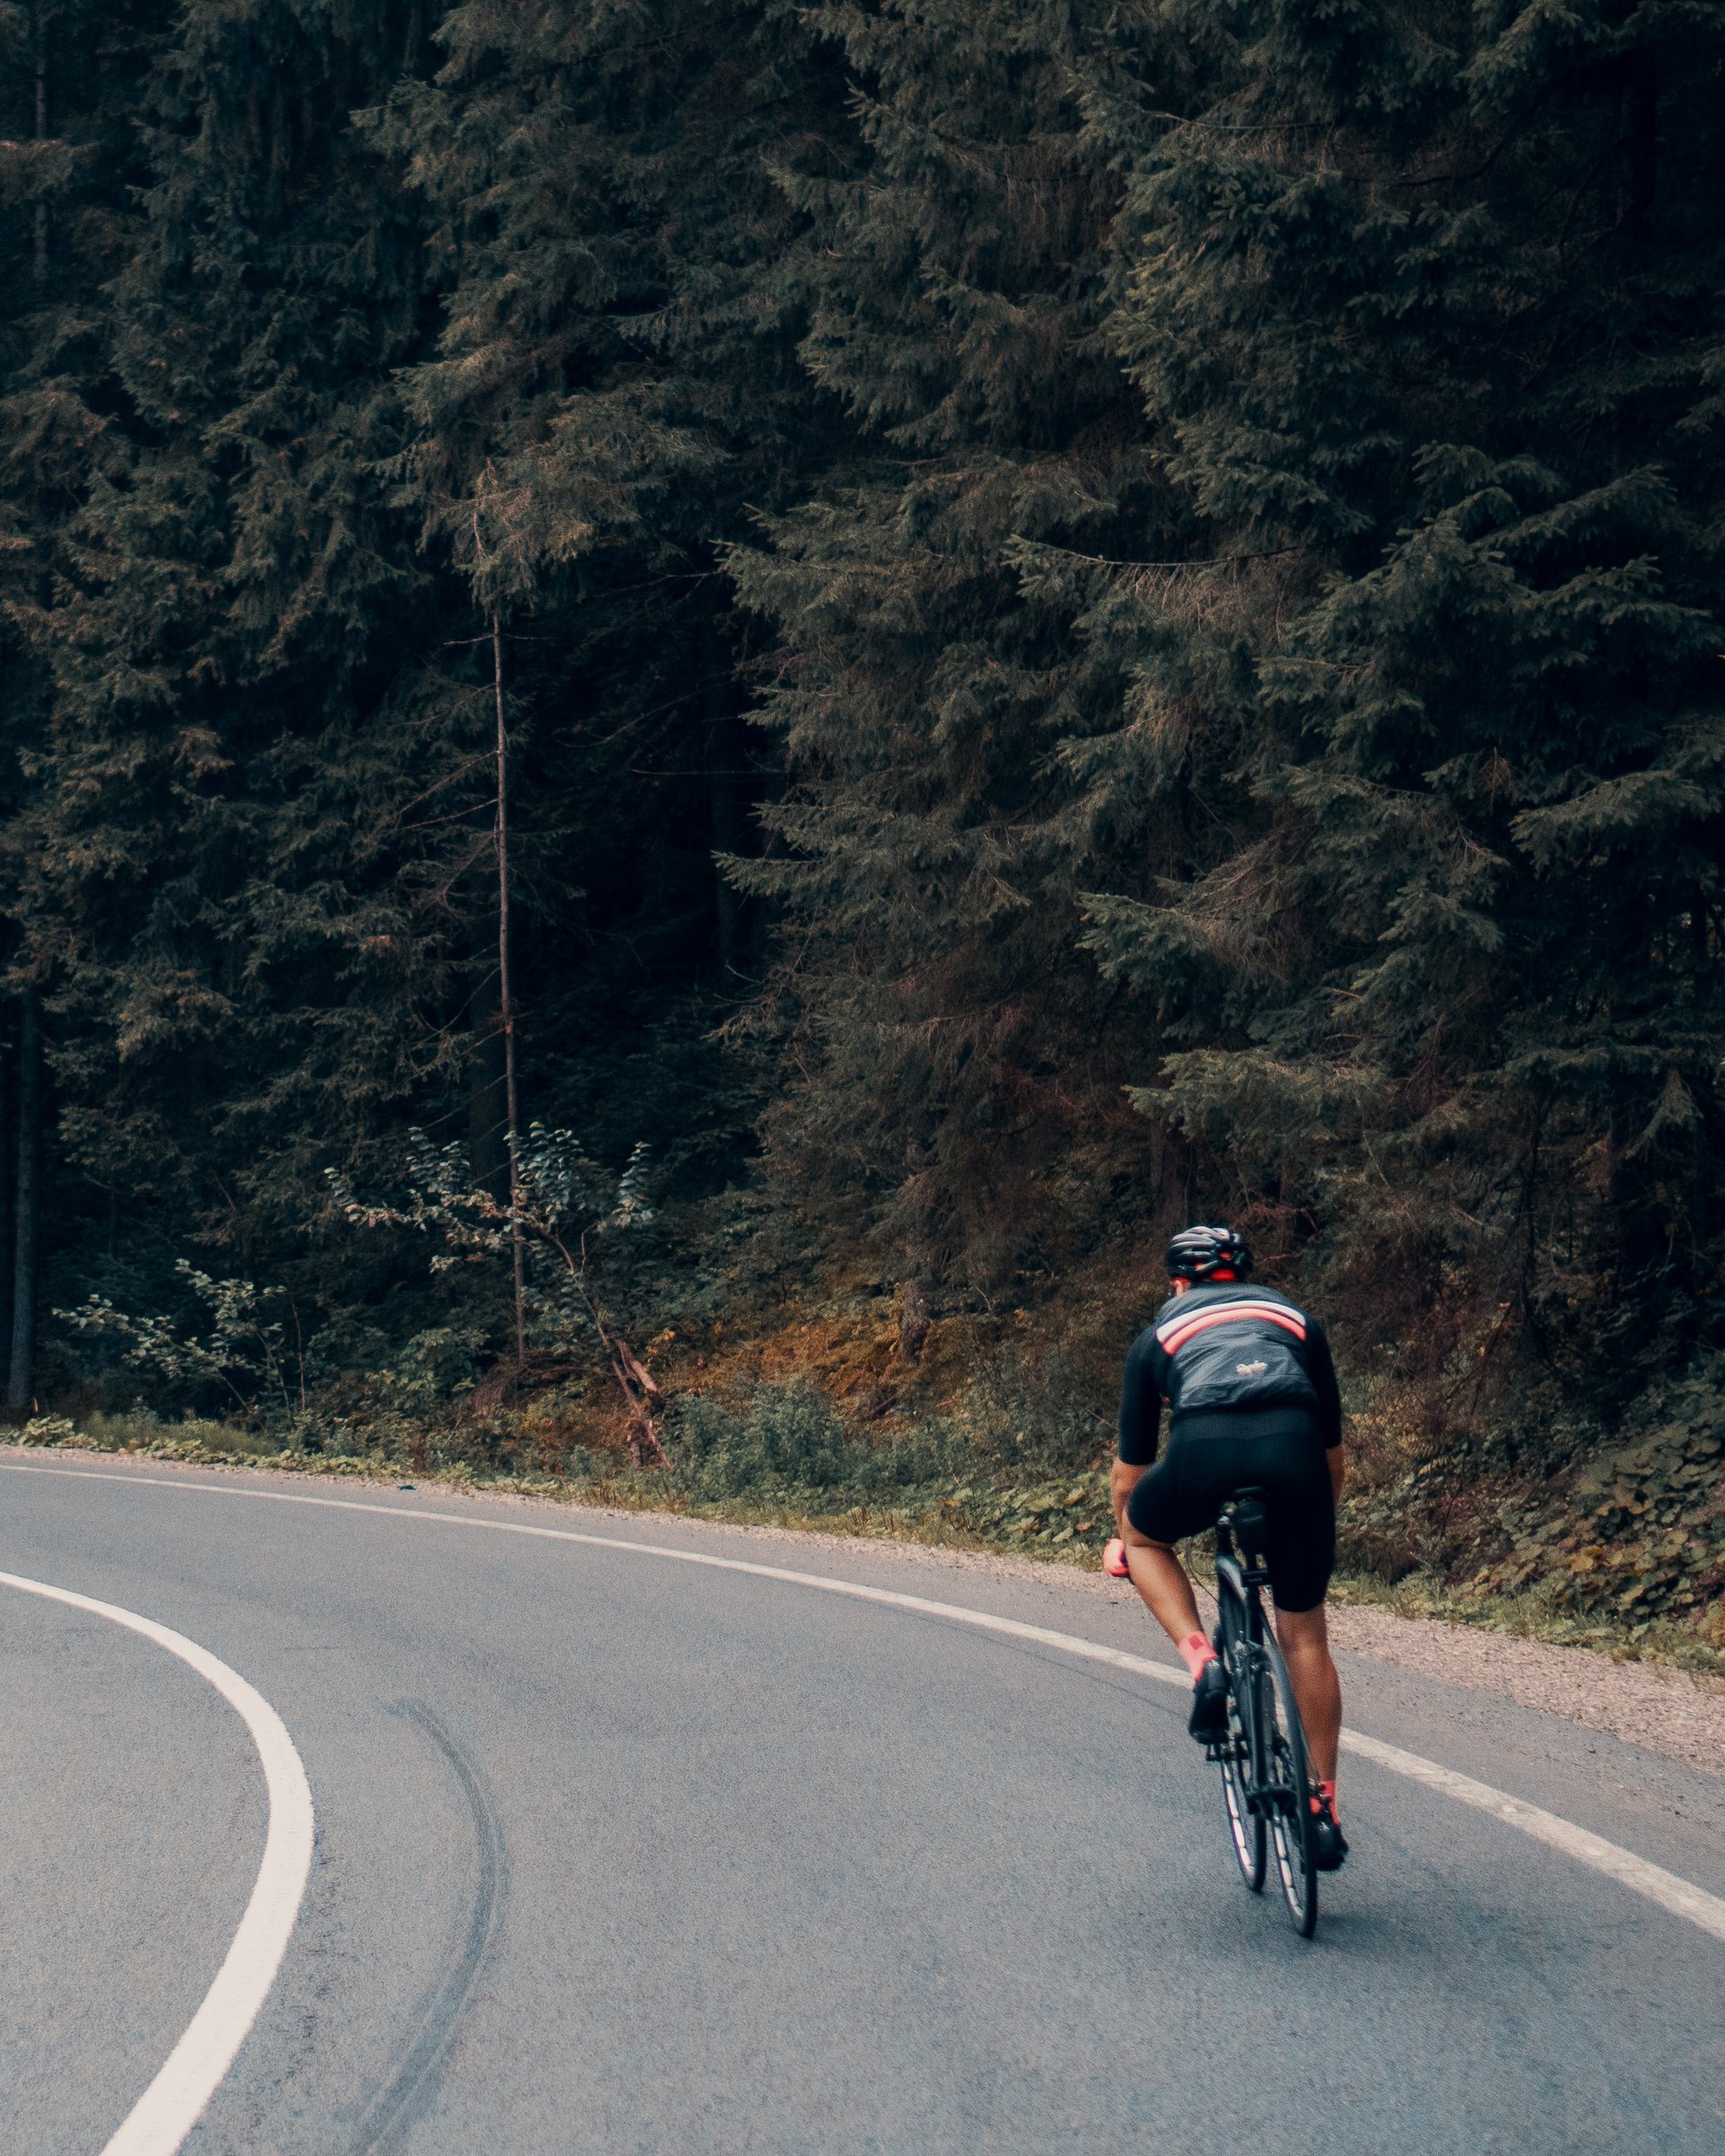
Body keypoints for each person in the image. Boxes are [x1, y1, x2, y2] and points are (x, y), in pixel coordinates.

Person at [1103, 1224, 1349, 1869]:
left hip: (1201, 1448)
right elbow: (1333, 1458)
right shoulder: (1296, 1321)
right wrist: (1315, 1517)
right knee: (1305, 1637)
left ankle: (1202, 1661)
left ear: (1177, 1284)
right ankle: (1322, 1806)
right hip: (1296, 1457)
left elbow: (1130, 1478)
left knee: (1143, 1534)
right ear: (1243, 1275)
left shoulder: (1157, 1335)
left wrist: (1123, 1537)